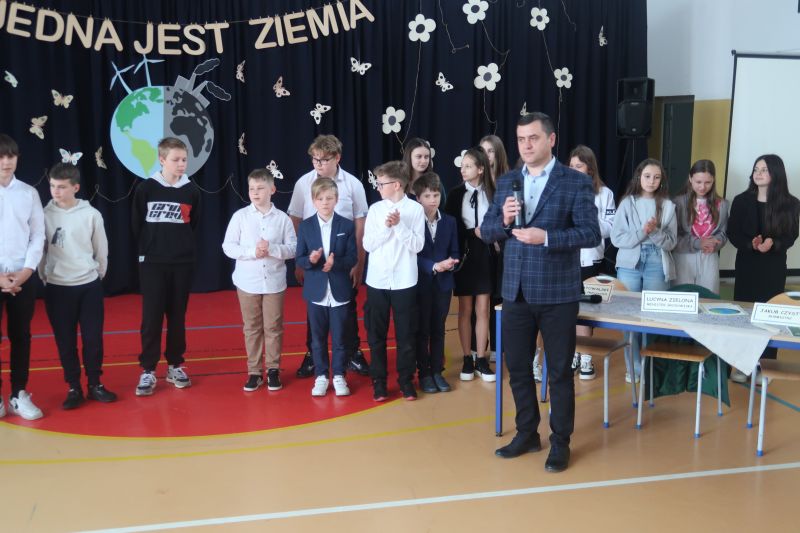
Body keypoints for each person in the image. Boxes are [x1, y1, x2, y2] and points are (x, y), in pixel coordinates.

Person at [482, 112, 600, 473]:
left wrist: (546, 237)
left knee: (560, 372)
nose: (526, 145)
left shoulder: (574, 182)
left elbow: (590, 234)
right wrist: (504, 220)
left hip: (557, 293)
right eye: (521, 139)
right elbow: (487, 230)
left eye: (533, 138)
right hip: (515, 291)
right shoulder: (508, 181)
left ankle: (560, 442)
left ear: (551, 139)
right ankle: (527, 433)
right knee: (518, 368)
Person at [288, 135, 369, 379]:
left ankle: (352, 353)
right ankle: (313, 355)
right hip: (313, 262)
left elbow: (360, 224)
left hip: (344, 260)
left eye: (324, 160)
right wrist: (300, 261)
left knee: (347, 306)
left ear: (337, 158)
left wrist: (359, 262)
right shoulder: (303, 183)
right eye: (315, 159)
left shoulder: (353, 184)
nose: (319, 164)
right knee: (315, 310)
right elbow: (295, 220)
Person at [41, 162, 117, 409]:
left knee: (93, 339)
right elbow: (40, 250)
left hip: (88, 286)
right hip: (57, 287)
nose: (56, 191)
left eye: (62, 187)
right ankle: (73, 386)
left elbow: (101, 250)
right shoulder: (43, 215)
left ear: (75, 187)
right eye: (53, 186)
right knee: (65, 341)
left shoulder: (91, 214)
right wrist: (46, 276)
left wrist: (95, 275)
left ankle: (95, 384)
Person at [131, 137, 201, 396]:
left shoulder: (192, 191)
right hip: (152, 263)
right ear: (162, 160)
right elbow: (137, 225)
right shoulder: (146, 189)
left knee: (177, 316)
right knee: (151, 317)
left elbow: (194, 225)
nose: (181, 164)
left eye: (184, 159)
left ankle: (175, 365)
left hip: (182, 263)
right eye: (176, 159)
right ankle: (148, 369)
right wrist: (149, 250)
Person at [223, 168, 297, 392]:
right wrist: (252, 252)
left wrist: (272, 249)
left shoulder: (283, 219)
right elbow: (228, 246)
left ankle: (273, 369)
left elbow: (293, 248)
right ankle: (254, 372)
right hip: (247, 282)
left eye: (260, 188)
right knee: (252, 327)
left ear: (272, 189)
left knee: (273, 327)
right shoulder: (240, 217)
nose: (255, 192)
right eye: (251, 188)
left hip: (274, 283)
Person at [728, 154, 800, 379]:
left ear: (776, 174)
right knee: (746, 315)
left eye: (764, 170)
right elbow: (733, 233)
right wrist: (750, 244)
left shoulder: (791, 203)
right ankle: (742, 365)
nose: (758, 174)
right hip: (747, 265)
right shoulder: (742, 200)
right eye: (756, 169)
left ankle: (764, 367)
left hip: (773, 267)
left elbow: (791, 235)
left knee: (770, 316)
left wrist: (773, 243)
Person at [363, 161, 425, 401]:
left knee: (406, 334)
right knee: (376, 334)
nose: (378, 187)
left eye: (382, 183)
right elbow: (368, 244)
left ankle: (406, 380)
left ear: (397, 185)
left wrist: (399, 226)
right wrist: (387, 227)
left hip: (404, 281)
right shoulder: (375, 210)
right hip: (377, 281)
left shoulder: (415, 210)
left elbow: (417, 245)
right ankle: (379, 381)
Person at [611, 158, 677, 382]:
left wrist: (654, 232)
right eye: (647, 176)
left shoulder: (668, 206)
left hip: (657, 261)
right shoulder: (627, 203)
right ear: (639, 177)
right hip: (630, 262)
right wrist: (643, 232)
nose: (651, 181)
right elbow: (617, 238)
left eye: (657, 177)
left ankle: (650, 367)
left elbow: (671, 242)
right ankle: (634, 368)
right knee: (629, 316)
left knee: (653, 317)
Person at [296, 177, 358, 397]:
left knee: (340, 338)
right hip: (316, 292)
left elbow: (352, 257)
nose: (325, 202)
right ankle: (321, 376)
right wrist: (310, 260)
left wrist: (335, 263)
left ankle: (339, 375)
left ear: (336, 199)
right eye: (320, 198)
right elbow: (299, 258)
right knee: (317, 339)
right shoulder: (306, 226)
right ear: (313, 201)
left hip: (339, 289)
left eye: (329, 198)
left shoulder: (346, 225)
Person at [0, 133, 45, 420]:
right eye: (1, 157)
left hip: (22, 276)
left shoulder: (29, 193)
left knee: (21, 336)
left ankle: (19, 393)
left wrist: (26, 271)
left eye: (11, 156)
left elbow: (38, 234)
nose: (6, 162)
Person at [444, 147, 496, 383]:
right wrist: (472, 232)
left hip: (485, 253)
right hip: (465, 253)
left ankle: (481, 358)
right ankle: (467, 357)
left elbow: (499, 222)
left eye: (468, 166)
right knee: (465, 308)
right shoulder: (456, 194)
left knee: (483, 308)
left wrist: (491, 235)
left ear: (481, 169)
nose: (463, 170)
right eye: (462, 166)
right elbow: (451, 227)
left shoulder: (492, 192)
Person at [567, 145, 616, 381]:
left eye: (579, 166)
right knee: (569, 310)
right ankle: (573, 353)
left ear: (590, 168)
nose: (574, 169)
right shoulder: (563, 190)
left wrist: (588, 221)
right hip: (566, 258)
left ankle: (586, 356)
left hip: (591, 258)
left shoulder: (604, 193)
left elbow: (611, 227)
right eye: (571, 166)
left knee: (586, 308)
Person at [412, 172, 459, 393]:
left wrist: (451, 263)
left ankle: (437, 371)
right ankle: (424, 373)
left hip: (443, 284)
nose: (433, 200)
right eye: (428, 195)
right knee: (422, 330)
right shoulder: (413, 222)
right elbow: (411, 255)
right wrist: (433, 266)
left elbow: (455, 251)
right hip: (421, 284)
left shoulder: (449, 221)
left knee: (439, 329)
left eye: (436, 195)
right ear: (418, 198)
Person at [476, 135, 510, 363]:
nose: (487, 156)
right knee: (482, 301)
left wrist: (498, 236)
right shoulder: (477, 183)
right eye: (483, 151)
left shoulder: (508, 181)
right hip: (482, 248)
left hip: (505, 249)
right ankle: (477, 349)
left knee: (501, 299)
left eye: (490, 151)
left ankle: (500, 347)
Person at [672, 159, 728, 294]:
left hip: (709, 256)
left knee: (709, 296)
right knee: (683, 296)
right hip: (683, 256)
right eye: (698, 182)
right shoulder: (678, 202)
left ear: (713, 180)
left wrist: (715, 243)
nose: (702, 187)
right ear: (690, 178)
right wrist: (698, 243)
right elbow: (673, 235)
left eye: (708, 182)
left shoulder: (722, 204)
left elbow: (723, 233)